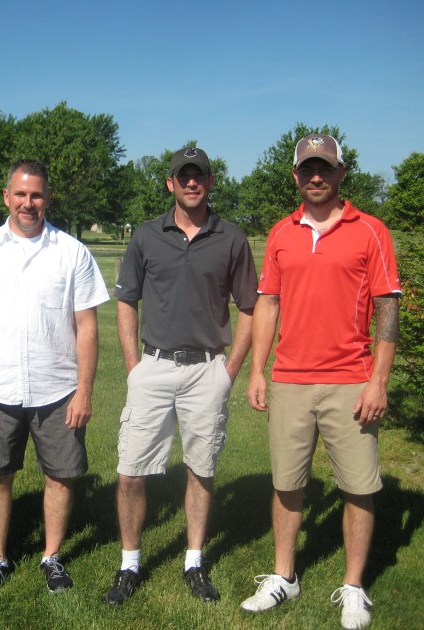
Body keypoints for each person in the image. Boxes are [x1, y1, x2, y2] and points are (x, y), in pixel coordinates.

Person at [240, 135, 400, 630]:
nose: (316, 177)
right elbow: (268, 303)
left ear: (340, 173)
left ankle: (353, 587)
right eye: (307, 168)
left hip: (351, 380)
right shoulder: (280, 233)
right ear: (295, 175)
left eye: (325, 168)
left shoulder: (370, 230)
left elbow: (387, 307)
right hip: (290, 379)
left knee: (357, 487)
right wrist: (258, 369)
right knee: (287, 484)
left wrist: (378, 380)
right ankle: (284, 576)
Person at [0, 160, 110, 596]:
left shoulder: (72, 252)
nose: (28, 203)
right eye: (20, 194)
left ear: (47, 199)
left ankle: (51, 556)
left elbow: (87, 326)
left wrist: (84, 392)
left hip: (58, 389)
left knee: (60, 475)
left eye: (36, 195)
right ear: (6, 197)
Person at [106, 147, 258, 605]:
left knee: (201, 468)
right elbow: (126, 300)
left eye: (199, 176)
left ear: (210, 182)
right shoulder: (146, 236)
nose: (192, 183)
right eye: (183, 176)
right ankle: (129, 564)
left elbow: (249, 307)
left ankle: (194, 560)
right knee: (130, 472)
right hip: (152, 367)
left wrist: (230, 371)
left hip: (207, 370)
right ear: (170, 183)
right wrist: (133, 366)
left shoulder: (232, 238)